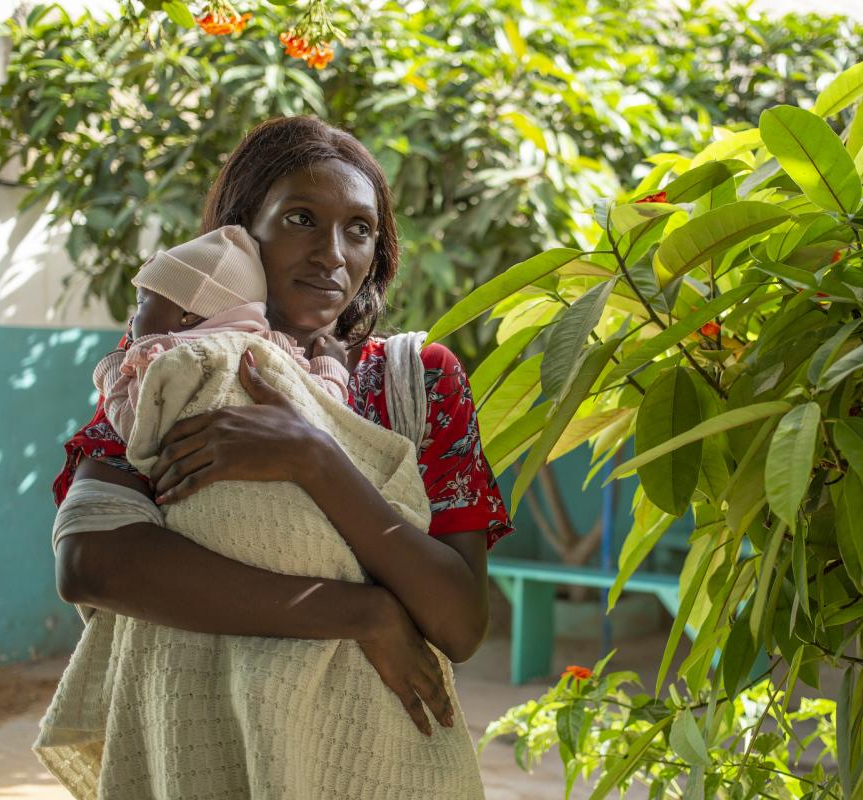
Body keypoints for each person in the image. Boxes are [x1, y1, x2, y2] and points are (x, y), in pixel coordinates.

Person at [42, 116, 512, 798]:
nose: (332, 253)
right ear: (239, 231)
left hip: (368, 761)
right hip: (208, 745)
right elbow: (92, 561)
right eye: (300, 218)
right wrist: (362, 613)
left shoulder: (417, 382)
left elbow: (459, 621)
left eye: (359, 228)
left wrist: (312, 457)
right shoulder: (180, 365)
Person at [94, 223, 351, 442]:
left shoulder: (166, 362)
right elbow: (322, 413)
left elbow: (134, 427)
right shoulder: (273, 351)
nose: (133, 319)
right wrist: (330, 365)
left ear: (190, 315)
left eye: (142, 304)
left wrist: (113, 369)